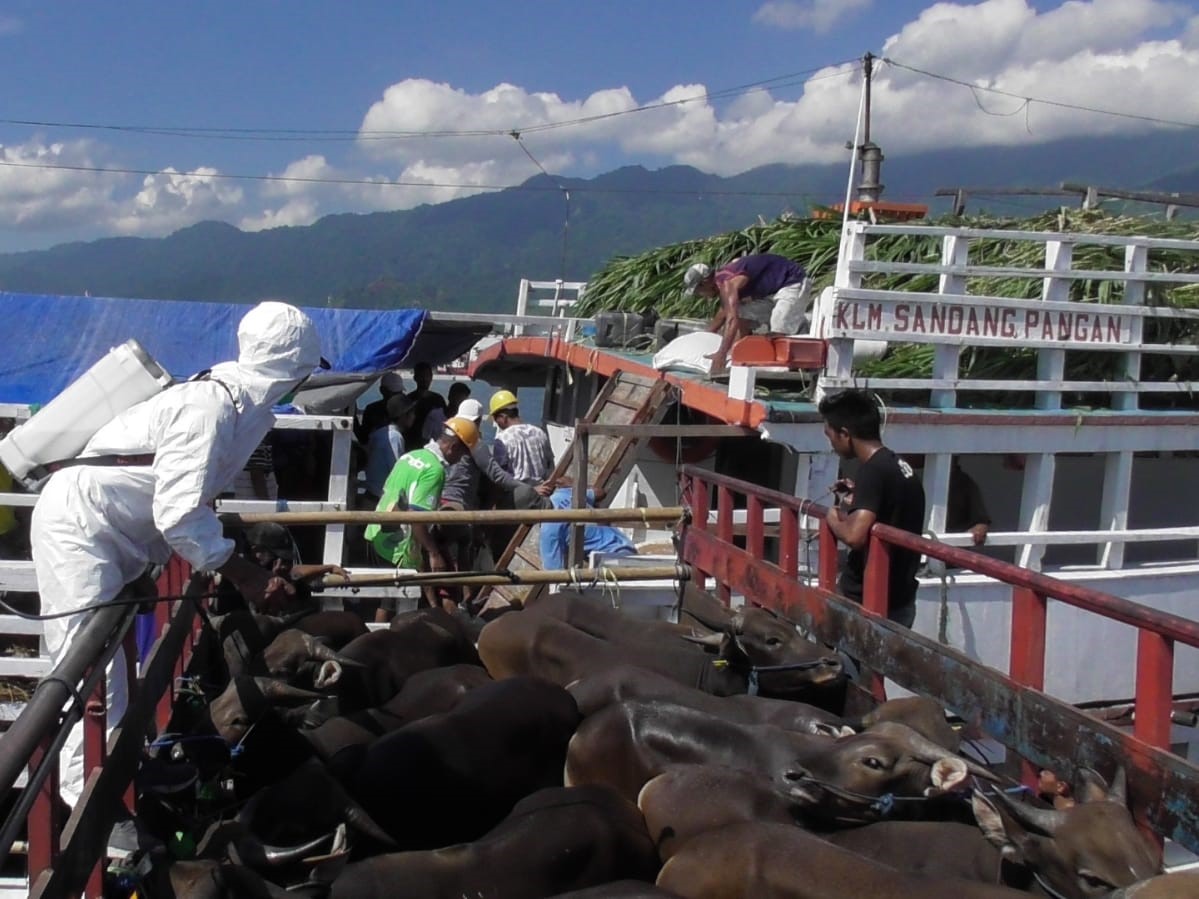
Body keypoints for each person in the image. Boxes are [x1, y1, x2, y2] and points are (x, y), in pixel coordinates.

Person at [30, 300, 325, 808]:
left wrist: (236, 561)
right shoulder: (211, 408)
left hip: (119, 530)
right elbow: (179, 513)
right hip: (82, 527)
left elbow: (184, 500)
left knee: (113, 664)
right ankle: (93, 806)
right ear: (293, 369)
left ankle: (122, 775)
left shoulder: (238, 406)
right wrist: (247, 575)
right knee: (94, 668)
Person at [818, 389, 926, 628]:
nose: (831, 443)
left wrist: (832, 516)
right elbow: (891, 507)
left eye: (830, 435)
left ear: (845, 434)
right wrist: (858, 497)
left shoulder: (872, 471)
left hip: (868, 601)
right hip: (901, 598)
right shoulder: (899, 465)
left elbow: (854, 536)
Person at [365, 416, 479, 615]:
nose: (461, 459)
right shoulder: (435, 471)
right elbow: (415, 517)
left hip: (376, 533)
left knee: (385, 601)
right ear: (453, 447)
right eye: (463, 454)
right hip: (398, 546)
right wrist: (434, 553)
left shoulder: (410, 456)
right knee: (390, 604)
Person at [682, 253, 810, 376]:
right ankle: (737, 353)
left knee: (779, 326)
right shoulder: (723, 281)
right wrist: (704, 337)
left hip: (793, 280)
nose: (700, 295)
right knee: (741, 311)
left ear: (705, 282)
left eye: (698, 291)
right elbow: (723, 313)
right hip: (772, 292)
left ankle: (789, 368)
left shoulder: (728, 283)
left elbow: (731, 320)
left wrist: (721, 355)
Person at [538, 481, 637, 571]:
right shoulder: (562, 494)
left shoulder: (548, 532)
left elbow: (555, 576)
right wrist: (573, 485)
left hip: (609, 562)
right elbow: (599, 493)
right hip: (626, 547)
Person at [489, 389, 554, 485]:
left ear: (503, 417)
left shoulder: (502, 439)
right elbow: (550, 464)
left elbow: (500, 476)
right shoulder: (539, 432)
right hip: (543, 490)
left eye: (496, 419)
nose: (496, 423)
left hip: (517, 491)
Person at [362, 394, 416, 507]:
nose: (414, 417)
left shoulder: (379, 433)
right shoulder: (395, 437)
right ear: (403, 415)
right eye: (412, 413)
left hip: (371, 495)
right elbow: (397, 470)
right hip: (380, 500)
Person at [946, 459, 991, 546]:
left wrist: (979, 528)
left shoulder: (964, 482)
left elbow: (981, 520)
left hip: (953, 545)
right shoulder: (919, 478)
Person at [404, 362, 447, 449]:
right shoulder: (408, 400)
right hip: (412, 445)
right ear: (415, 378)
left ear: (431, 377)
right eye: (421, 376)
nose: (425, 379)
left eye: (427, 376)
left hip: (433, 446)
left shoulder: (438, 399)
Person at [356, 370, 406, 443]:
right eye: (393, 393)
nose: (396, 396)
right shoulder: (372, 410)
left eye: (399, 392)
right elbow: (363, 437)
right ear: (382, 390)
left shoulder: (407, 409)